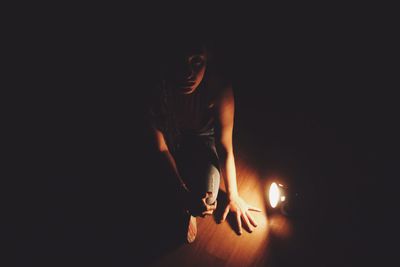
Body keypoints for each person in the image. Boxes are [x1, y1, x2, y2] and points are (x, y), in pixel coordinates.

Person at [148, 38, 261, 243]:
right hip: (169, 136)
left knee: (208, 198)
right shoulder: (156, 89)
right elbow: (161, 148)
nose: (187, 72)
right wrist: (182, 192)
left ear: (208, 59)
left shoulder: (218, 89)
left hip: (201, 138)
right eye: (179, 61)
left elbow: (225, 146)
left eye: (196, 61)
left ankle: (186, 204)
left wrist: (233, 195)